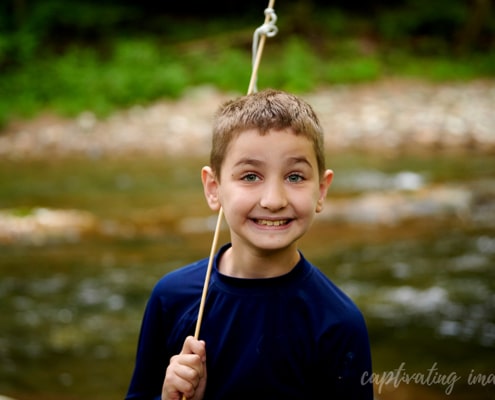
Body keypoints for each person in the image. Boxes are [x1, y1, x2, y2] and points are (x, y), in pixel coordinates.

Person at [125, 89, 373, 400]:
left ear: (321, 190)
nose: (273, 200)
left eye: (295, 177)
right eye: (251, 176)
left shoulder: (338, 322)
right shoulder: (172, 298)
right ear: (214, 188)